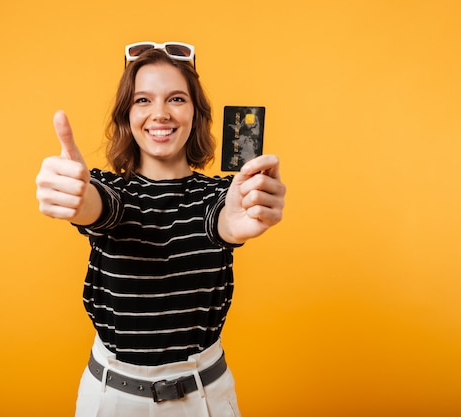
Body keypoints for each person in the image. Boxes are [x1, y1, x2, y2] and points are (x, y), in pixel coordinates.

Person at [35, 42, 286, 417]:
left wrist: (235, 218)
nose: (161, 114)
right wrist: (76, 194)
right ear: (126, 115)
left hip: (205, 401)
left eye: (177, 99)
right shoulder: (109, 190)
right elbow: (101, 207)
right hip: (110, 400)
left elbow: (219, 218)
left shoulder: (221, 195)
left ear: (196, 114)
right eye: (143, 100)